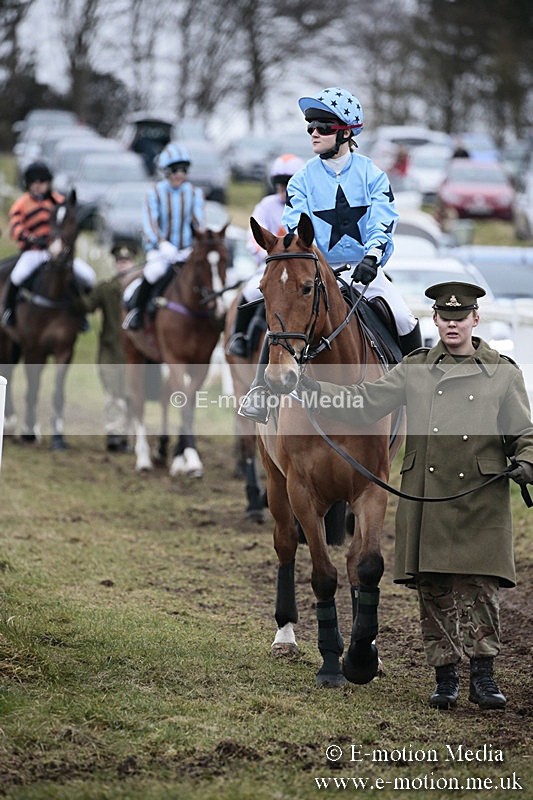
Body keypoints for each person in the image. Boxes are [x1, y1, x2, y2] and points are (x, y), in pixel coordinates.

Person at [298, 281, 533, 710]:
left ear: (475, 320)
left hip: (481, 497)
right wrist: (312, 389)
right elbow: (363, 401)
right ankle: (445, 678)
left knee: (481, 590)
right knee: (435, 590)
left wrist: (527, 462)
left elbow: (524, 432)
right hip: (429, 496)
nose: (453, 325)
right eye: (446, 318)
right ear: (436, 321)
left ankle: (483, 676)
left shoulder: (503, 371)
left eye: (461, 318)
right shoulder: (415, 367)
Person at [240, 86, 421, 422]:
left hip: (363, 268)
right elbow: (294, 227)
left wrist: (373, 257)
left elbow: (384, 220)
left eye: (322, 127)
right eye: (310, 126)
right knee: (281, 320)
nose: (313, 133)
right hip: (315, 269)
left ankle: (419, 394)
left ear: (346, 133)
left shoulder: (372, 174)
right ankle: (260, 390)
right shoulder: (301, 180)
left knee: (404, 317)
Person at [226, 153, 305, 358]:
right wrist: (266, 255)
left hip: (300, 268)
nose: (283, 190)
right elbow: (254, 236)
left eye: (288, 184)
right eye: (280, 185)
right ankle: (239, 336)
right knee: (250, 293)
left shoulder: (306, 205)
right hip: (270, 265)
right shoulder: (266, 205)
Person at [1, 161, 96, 328]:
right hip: (34, 251)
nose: (37, 186)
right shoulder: (21, 203)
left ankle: (81, 313)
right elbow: (15, 227)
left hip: (57, 251)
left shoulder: (58, 201)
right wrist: (31, 238)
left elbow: (70, 219)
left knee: (88, 276)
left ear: (48, 182)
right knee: (17, 276)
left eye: (41, 182)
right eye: (34, 182)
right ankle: (9, 311)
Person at [122, 143, 205, 331]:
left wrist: (194, 246)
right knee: (154, 272)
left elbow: (199, 222)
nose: (180, 175)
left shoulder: (194, 193)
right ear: (166, 171)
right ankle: (136, 312)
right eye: (175, 170)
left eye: (184, 170)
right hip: (161, 251)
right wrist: (161, 244)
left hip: (186, 251)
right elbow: (150, 222)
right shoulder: (155, 192)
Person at [79, 243, 138, 452]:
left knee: (131, 394)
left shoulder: (140, 288)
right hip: (111, 349)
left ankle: (128, 436)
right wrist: (75, 288)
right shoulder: (106, 288)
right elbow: (87, 305)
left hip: (135, 351)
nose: (123, 265)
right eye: (120, 262)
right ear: (115, 264)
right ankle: (114, 433)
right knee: (113, 392)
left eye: (127, 261)